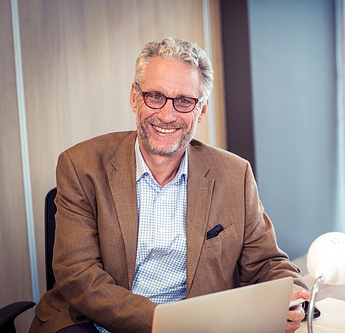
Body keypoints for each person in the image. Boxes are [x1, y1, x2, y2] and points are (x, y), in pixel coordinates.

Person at [30, 37, 310, 333]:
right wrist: (170, 324)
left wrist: (294, 299)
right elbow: (78, 276)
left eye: (184, 101)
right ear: (134, 98)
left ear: (200, 111)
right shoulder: (81, 165)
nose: (166, 114)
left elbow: (267, 262)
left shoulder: (234, 175)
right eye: (155, 96)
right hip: (93, 323)